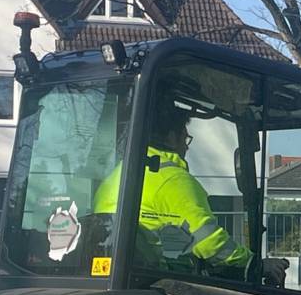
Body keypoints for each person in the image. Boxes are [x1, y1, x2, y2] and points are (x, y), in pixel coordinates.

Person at [93, 100, 253, 274]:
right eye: (185, 138)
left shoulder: (117, 176)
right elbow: (209, 243)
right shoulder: (173, 179)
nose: (186, 146)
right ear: (170, 137)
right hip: (156, 280)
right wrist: (251, 262)